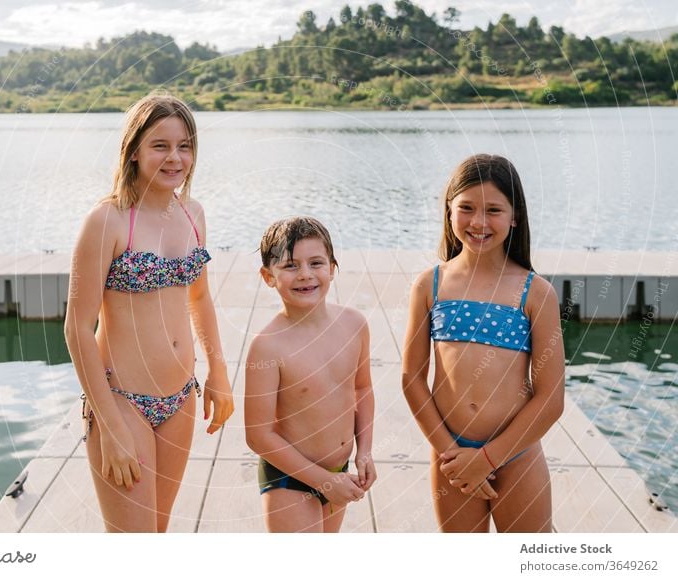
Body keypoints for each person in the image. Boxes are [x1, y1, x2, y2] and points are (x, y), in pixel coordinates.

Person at [64, 93, 233, 533]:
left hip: (180, 397)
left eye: (185, 145)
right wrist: (111, 424)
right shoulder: (108, 221)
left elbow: (199, 299)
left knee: (158, 536)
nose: (175, 158)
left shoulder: (193, 214)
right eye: (161, 145)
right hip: (124, 402)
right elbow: (78, 326)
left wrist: (218, 370)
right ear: (134, 149)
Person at [402, 154, 564, 533]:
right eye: (467, 208)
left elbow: (550, 398)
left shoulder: (535, 293)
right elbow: (412, 378)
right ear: (448, 210)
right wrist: (452, 454)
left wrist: (488, 458)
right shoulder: (430, 285)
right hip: (451, 455)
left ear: (514, 216)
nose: (478, 222)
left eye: (493, 210)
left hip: (516, 454)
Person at [245, 217, 376, 533]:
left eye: (315, 263)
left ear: (332, 268)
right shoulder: (267, 347)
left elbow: (362, 390)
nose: (305, 274)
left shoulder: (354, 325)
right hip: (289, 478)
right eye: (290, 266)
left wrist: (365, 452)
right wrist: (324, 481)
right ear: (268, 276)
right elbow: (258, 435)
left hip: (339, 470)